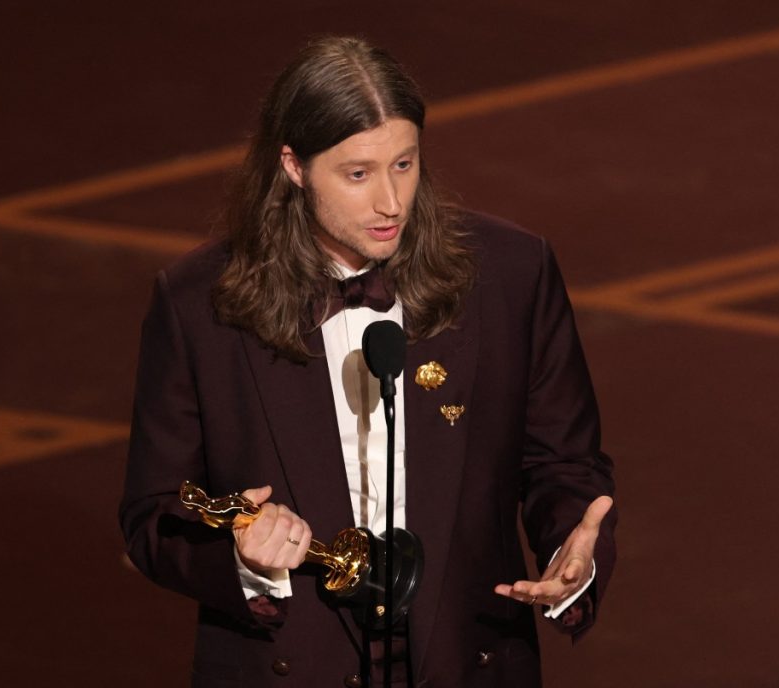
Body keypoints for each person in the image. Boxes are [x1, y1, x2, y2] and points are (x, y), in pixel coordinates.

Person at [120, 36, 616, 688]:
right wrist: (242, 554)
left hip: (465, 662)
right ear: (294, 166)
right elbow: (152, 516)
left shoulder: (510, 276)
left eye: (404, 165)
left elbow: (562, 462)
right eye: (358, 174)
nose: (391, 202)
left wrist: (566, 560)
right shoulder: (199, 307)